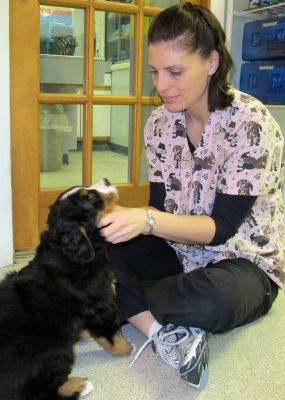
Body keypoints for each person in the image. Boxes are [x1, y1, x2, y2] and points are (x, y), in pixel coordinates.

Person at [99, 3, 285, 390]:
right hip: (179, 253)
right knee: (100, 247)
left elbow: (220, 229)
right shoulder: (159, 125)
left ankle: (112, 302)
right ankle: (158, 332)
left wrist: (145, 220)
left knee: (207, 301)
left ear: (212, 62)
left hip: (245, 263)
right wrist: (129, 226)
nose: (161, 85)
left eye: (175, 71)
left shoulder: (252, 123)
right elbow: (160, 206)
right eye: (155, 71)